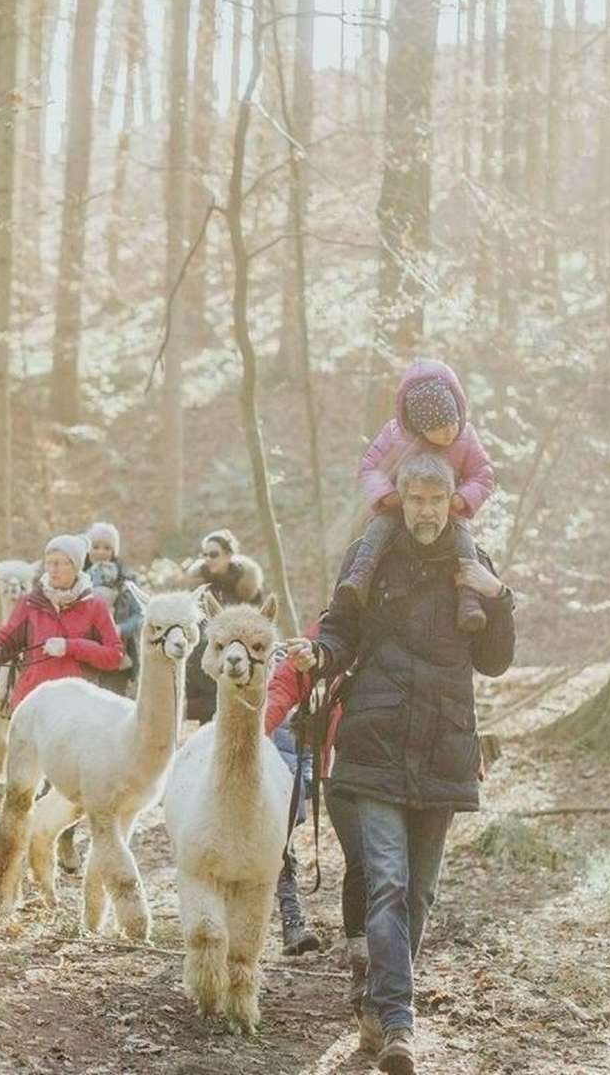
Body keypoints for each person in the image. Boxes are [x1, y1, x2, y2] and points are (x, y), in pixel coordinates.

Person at [285, 452, 516, 1075]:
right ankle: (398, 1023)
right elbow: (341, 634)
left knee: (420, 892)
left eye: (436, 501)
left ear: (450, 504)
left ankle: (378, 1001)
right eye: (415, 500)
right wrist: (317, 654)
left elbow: (495, 659)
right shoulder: (371, 557)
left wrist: (500, 599)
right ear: (400, 500)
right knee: (387, 880)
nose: (425, 511)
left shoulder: (473, 565)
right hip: (377, 739)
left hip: (444, 744)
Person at [0, 533, 125, 874]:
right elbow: (4, 643)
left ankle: (63, 840)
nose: (53, 569)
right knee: (25, 787)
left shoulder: (95, 606)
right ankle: (16, 855)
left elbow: (115, 656)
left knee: (67, 787)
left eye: (61, 563)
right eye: (49, 562)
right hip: (32, 707)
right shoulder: (31, 603)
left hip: (76, 713)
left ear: (76, 566)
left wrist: (72, 646)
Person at [343, 358, 496, 634]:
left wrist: (462, 498)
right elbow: (369, 468)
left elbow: (483, 473)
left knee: (464, 541)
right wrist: (388, 496)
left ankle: (469, 599)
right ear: (418, 427)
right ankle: (360, 574)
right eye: (439, 429)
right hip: (402, 504)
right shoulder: (394, 435)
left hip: (447, 508)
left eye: (452, 423)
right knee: (379, 528)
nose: (449, 432)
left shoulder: (466, 436)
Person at [263, 623, 341, 958]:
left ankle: (292, 922)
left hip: (285, 796)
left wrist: (299, 790)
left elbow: (310, 756)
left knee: (282, 852)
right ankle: (291, 922)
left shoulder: (303, 710)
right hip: (254, 792)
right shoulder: (253, 706)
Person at [183, 529, 266, 724]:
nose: (208, 559)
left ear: (228, 555)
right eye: (204, 555)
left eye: (213, 554)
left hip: (238, 662)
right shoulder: (198, 587)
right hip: (204, 666)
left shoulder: (247, 588)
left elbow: (259, 627)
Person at [85, 520, 142, 697]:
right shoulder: (78, 579)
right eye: (96, 546)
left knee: (112, 700)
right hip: (85, 652)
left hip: (118, 656)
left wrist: (120, 629)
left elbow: (139, 615)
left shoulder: (126, 582)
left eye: (107, 548)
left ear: (114, 552)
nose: (101, 552)